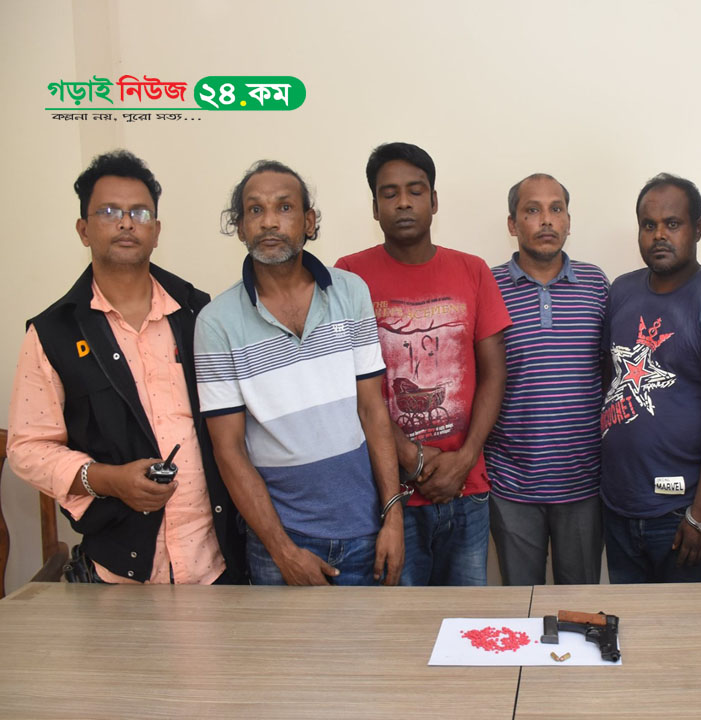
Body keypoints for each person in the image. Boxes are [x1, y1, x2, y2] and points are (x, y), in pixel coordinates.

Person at [7, 150, 243, 584]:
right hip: (120, 572)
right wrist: (108, 480)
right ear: (83, 230)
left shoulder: (198, 312)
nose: (126, 223)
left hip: (217, 562)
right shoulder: (53, 333)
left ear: (156, 231)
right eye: (109, 212)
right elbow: (28, 448)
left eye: (140, 213)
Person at [194, 160, 403, 586]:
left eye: (284, 207)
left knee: (375, 634)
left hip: (366, 530)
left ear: (309, 221)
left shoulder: (350, 292)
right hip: (281, 542)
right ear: (240, 227)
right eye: (255, 210)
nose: (269, 221)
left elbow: (372, 411)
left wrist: (393, 517)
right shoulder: (216, 323)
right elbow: (228, 450)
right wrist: (282, 551)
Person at [336, 143, 510, 586]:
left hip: (466, 488)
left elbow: (494, 374)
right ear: (375, 207)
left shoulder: (472, 270)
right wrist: (411, 459)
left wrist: (465, 458)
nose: (403, 203)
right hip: (389, 496)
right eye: (389, 193)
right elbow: (347, 386)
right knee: (401, 621)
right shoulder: (349, 277)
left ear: (433, 201)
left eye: (415, 191)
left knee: (466, 620)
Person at [599, 173, 701, 583]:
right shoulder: (621, 291)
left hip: (681, 514)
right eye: (649, 225)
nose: (659, 235)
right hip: (618, 505)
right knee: (627, 623)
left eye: (672, 224)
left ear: (697, 228)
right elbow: (611, 380)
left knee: (687, 625)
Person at [486, 173, 608, 585]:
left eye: (556, 209)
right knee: (522, 604)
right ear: (512, 224)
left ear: (569, 221)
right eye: (532, 210)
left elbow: (610, 372)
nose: (546, 220)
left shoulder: (596, 285)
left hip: (584, 482)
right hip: (511, 483)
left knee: (581, 605)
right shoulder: (488, 286)